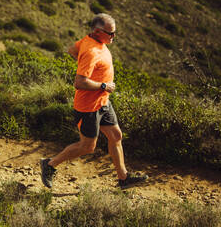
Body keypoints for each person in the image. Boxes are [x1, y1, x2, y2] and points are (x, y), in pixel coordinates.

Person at [40, 13, 148, 189]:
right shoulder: (91, 51)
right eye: (110, 33)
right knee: (87, 146)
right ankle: (49, 164)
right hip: (88, 107)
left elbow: (72, 50)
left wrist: (90, 72)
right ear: (97, 31)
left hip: (103, 102)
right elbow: (79, 82)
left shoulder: (90, 42)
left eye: (114, 33)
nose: (114, 37)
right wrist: (103, 85)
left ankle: (124, 178)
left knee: (116, 136)